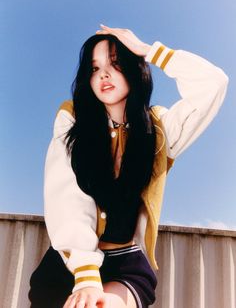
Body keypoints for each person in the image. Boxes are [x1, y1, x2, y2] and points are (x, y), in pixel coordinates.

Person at [28, 24, 229, 308]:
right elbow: (66, 194)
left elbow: (214, 83)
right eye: (94, 68)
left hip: (126, 267)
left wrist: (150, 51)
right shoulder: (72, 119)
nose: (104, 75)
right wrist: (86, 274)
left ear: (135, 69)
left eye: (115, 63)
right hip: (70, 264)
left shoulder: (159, 130)